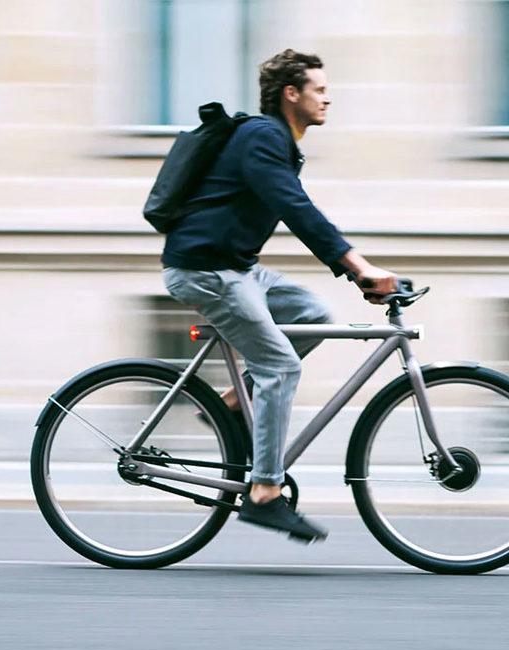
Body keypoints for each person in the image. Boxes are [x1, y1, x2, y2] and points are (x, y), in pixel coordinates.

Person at [161, 49, 398, 542]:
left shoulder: (275, 142)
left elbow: (293, 206)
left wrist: (352, 271)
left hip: (237, 268)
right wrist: (358, 266)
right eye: (319, 89)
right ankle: (264, 493)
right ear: (291, 93)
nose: (327, 97)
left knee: (312, 314)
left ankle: (229, 403)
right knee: (281, 367)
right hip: (207, 271)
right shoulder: (264, 137)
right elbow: (295, 207)